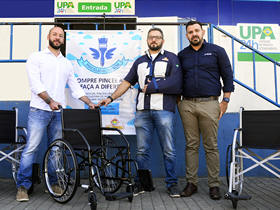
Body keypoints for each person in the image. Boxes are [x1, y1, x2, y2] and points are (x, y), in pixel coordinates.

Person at [98, 28, 182, 198]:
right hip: (142, 112)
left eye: (157, 37)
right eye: (151, 37)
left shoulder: (172, 58)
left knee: (169, 149)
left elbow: (177, 82)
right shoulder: (139, 61)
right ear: (147, 40)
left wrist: (156, 86)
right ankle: (141, 184)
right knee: (142, 150)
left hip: (164, 110)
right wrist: (110, 97)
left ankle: (172, 184)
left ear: (163, 41)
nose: (154, 40)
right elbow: (127, 82)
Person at [16, 26, 96, 202]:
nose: (58, 38)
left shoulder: (66, 63)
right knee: (31, 148)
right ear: (48, 36)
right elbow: (35, 84)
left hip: (58, 114)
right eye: (55, 34)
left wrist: (89, 102)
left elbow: (75, 87)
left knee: (57, 151)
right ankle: (23, 186)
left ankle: (54, 183)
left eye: (61, 36)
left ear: (63, 40)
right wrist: (49, 101)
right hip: (39, 110)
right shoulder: (36, 57)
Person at [178, 20, 234, 200]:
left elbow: (228, 75)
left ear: (202, 32)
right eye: (190, 32)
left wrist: (225, 100)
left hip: (210, 103)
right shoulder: (181, 55)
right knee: (191, 145)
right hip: (187, 105)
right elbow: (176, 79)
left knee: (211, 146)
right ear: (186, 35)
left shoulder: (217, 51)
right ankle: (191, 183)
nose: (194, 34)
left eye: (196, 31)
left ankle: (214, 185)